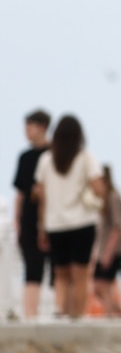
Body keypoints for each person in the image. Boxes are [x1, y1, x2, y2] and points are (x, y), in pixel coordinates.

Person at [34, 114, 104, 320]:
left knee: (61, 274)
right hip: (82, 223)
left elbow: (41, 197)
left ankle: (59, 311)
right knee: (80, 275)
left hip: (55, 225)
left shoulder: (46, 160)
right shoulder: (84, 157)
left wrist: (42, 228)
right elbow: (99, 189)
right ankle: (77, 317)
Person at [12, 109, 53, 319]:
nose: (26, 131)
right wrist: (16, 221)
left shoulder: (55, 154)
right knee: (32, 269)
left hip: (55, 220)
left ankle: (61, 314)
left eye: (30, 127)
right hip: (29, 220)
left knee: (58, 269)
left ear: (42, 126)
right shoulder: (25, 157)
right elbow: (20, 193)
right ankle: (30, 316)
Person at [92, 165, 121, 318]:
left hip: (112, 250)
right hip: (104, 250)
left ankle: (111, 314)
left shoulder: (113, 197)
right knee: (100, 286)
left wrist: (108, 253)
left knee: (104, 285)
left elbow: (117, 227)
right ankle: (119, 311)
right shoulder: (105, 199)